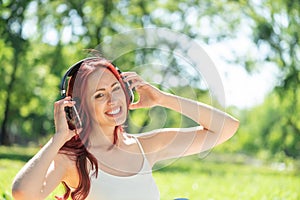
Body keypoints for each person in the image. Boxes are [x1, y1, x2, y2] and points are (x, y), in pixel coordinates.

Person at [12, 57, 239, 200]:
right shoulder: (71, 159)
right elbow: (23, 193)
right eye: (99, 95)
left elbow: (226, 128)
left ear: (127, 92)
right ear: (80, 108)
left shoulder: (146, 146)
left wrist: (162, 98)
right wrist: (60, 137)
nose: (112, 100)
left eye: (116, 89)